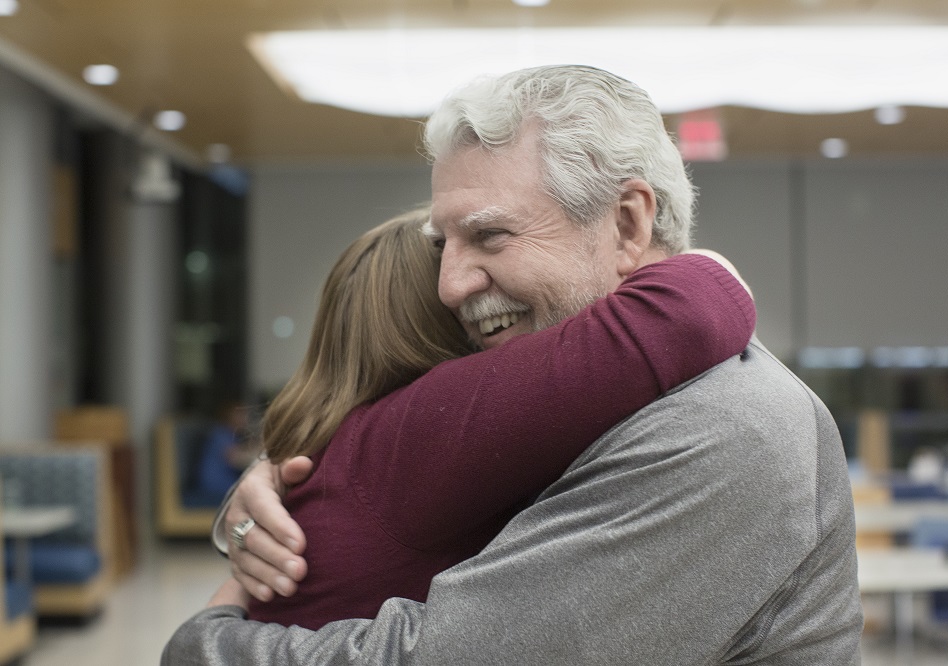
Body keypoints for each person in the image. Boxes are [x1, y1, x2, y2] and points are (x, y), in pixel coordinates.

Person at [164, 64, 863, 665]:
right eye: (444, 246)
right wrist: (264, 504)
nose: (449, 286)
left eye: (490, 235)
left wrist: (208, 643)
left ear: (627, 223)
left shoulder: (722, 429)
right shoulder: (601, 405)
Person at [235, 207, 752, 629]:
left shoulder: (337, 448)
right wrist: (703, 257)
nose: (464, 284)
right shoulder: (420, 426)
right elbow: (694, 305)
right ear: (432, 315)